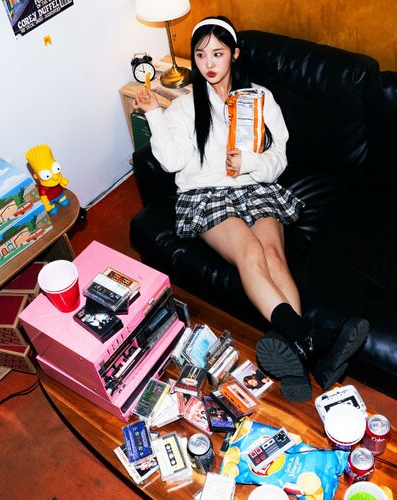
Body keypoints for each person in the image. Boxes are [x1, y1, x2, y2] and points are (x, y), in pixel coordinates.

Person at [134, 16, 368, 401]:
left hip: (255, 185)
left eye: (218, 53)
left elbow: (279, 159)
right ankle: (312, 341)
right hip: (207, 193)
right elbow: (173, 161)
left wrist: (250, 163)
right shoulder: (184, 107)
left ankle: (299, 359)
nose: (209, 63)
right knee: (251, 253)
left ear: (235, 54)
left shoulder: (259, 99)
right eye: (201, 54)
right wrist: (153, 114)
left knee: (274, 255)